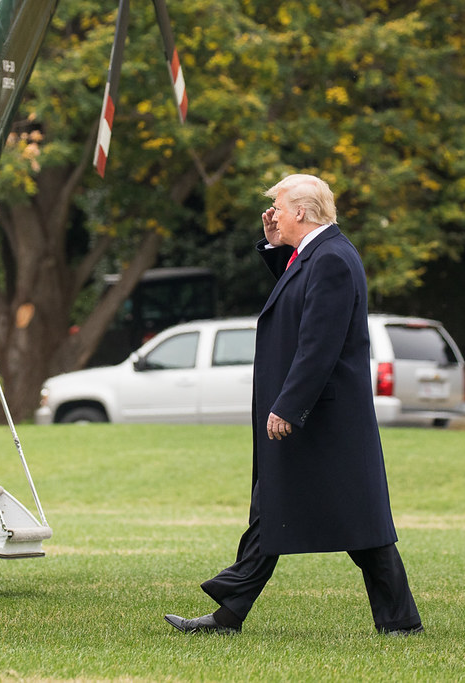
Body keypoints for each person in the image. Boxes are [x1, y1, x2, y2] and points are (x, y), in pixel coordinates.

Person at [165, 173, 422, 636]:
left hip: (322, 418)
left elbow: (320, 343)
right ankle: (229, 614)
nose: (273, 215)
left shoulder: (332, 259)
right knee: (276, 507)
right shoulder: (319, 253)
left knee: (357, 522)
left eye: (279, 208)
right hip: (318, 415)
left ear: (301, 211)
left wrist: (289, 406)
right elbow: (298, 296)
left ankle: (400, 622)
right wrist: (275, 245)